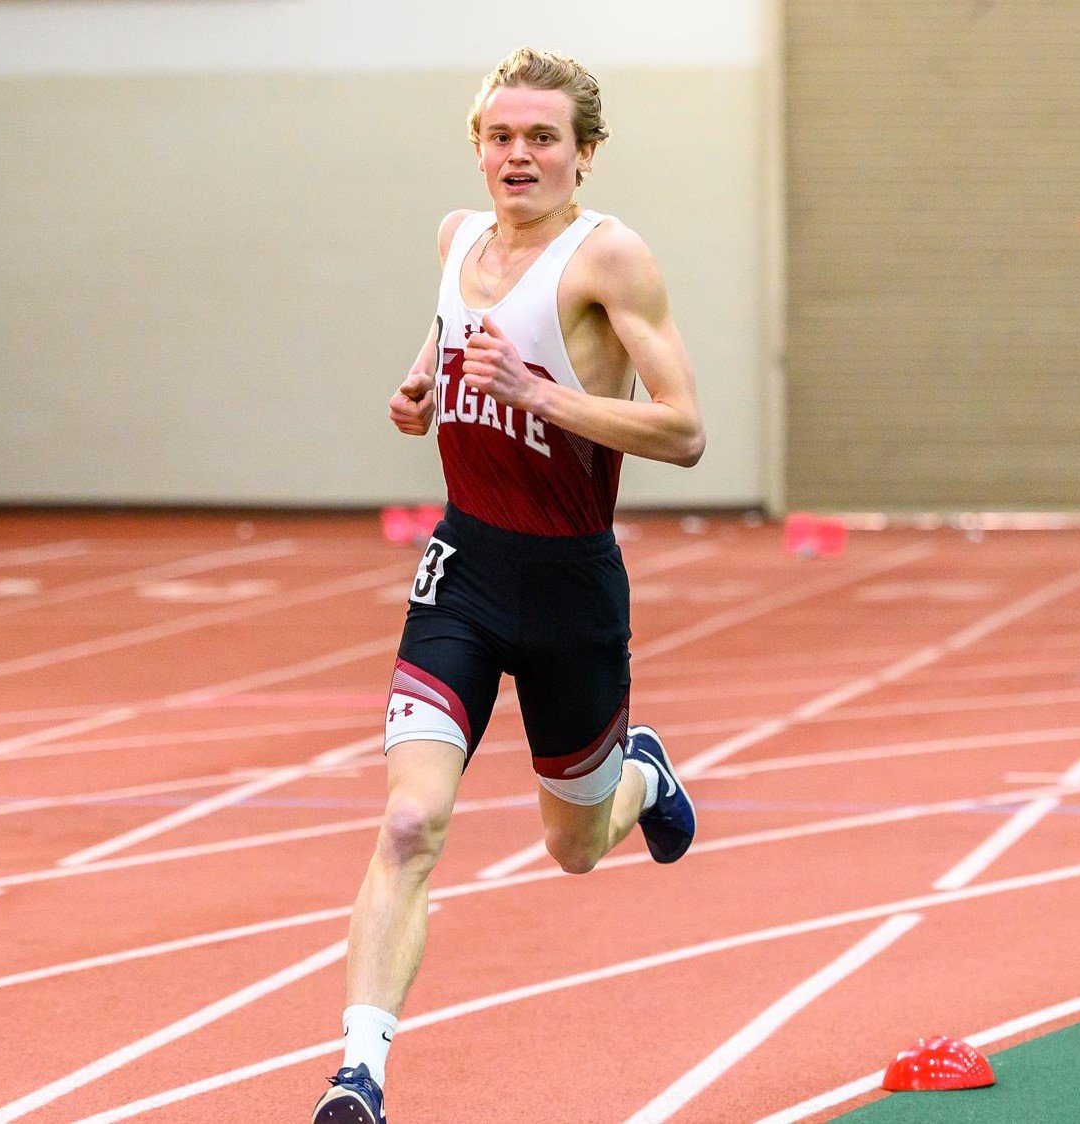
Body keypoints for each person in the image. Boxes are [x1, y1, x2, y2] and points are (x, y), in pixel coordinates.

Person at [310, 46, 707, 1124]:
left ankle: (642, 776)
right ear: (476, 146)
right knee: (407, 822)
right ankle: (358, 1073)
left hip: (572, 584)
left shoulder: (608, 258)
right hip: (465, 568)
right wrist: (419, 379)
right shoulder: (455, 237)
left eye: (541, 138)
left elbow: (683, 431)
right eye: (500, 136)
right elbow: (451, 332)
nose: (517, 155)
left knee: (572, 846)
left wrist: (540, 395)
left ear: (584, 154)